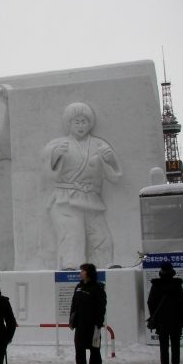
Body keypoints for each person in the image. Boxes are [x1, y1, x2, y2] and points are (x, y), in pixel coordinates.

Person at [43, 102, 122, 270]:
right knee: (72, 234)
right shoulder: (58, 145)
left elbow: (114, 177)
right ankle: (70, 267)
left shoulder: (100, 145)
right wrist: (55, 156)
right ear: (68, 123)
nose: (80, 125)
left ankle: (105, 267)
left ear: (90, 123)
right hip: (65, 200)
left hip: (92, 200)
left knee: (101, 237)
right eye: (76, 121)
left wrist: (111, 160)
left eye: (84, 121)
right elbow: (49, 174)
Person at [147, 261, 183, 364]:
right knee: (176, 345)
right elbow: (182, 303)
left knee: (163, 345)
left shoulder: (156, 285)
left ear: (161, 271)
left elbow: (150, 302)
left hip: (161, 320)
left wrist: (154, 315)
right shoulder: (177, 285)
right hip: (176, 320)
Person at [69, 263, 107, 364]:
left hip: (93, 322)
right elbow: (74, 304)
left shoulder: (97, 288)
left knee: (95, 344)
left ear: (88, 273)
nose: (80, 273)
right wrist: (72, 319)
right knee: (79, 345)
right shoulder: (78, 287)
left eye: (82, 271)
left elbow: (101, 306)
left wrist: (99, 321)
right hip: (80, 322)